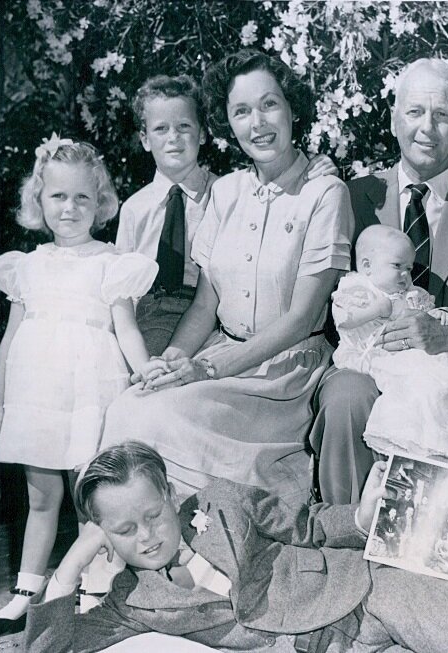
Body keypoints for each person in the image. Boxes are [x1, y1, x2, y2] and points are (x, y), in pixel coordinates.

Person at [23, 441, 448, 653]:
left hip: (366, 589)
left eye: (153, 516)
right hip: (334, 647)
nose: (148, 537)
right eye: (124, 530)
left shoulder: (221, 501)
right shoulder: (132, 600)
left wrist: (365, 516)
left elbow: (312, 525)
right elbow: (52, 650)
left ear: (169, 491)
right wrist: (69, 570)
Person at [101, 50, 353, 507]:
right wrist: (172, 363)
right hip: (219, 355)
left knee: (160, 420)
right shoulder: (226, 191)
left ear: (292, 108)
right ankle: (135, 558)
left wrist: (206, 369)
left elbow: (301, 318)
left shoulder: (326, 193)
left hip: (284, 377)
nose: (257, 122)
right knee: (129, 406)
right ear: (229, 125)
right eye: (242, 111)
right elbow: (204, 304)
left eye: (269, 104)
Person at [309, 57, 448, 504]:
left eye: (442, 114)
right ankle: (348, 547)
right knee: (347, 399)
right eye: (414, 112)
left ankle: (431, 558)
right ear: (393, 119)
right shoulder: (350, 197)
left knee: (437, 407)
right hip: (368, 363)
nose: (427, 127)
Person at [0, 138, 161, 638]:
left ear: (99, 203)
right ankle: (26, 593)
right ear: (39, 202)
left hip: (89, 393)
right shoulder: (26, 266)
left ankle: (92, 591)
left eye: (82, 197)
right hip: (37, 393)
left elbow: (128, 331)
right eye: (58, 197)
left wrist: (147, 376)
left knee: (88, 498)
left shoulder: (111, 262)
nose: (70, 207)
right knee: (39, 497)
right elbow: (12, 340)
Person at [117, 74, 336, 355]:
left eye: (184, 126)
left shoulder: (228, 195)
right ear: (145, 139)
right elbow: (121, 292)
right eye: (161, 128)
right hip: (148, 314)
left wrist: (316, 165)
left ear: (203, 133)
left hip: (210, 314)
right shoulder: (134, 209)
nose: (174, 137)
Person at [332, 225, 448, 469]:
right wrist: (381, 309)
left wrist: (441, 315)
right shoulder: (358, 288)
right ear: (367, 265)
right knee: (420, 381)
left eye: (409, 268)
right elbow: (344, 319)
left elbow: (423, 317)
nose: (405, 275)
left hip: (407, 353)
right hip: (371, 353)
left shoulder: (410, 293)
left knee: (446, 369)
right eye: (397, 266)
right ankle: (419, 442)